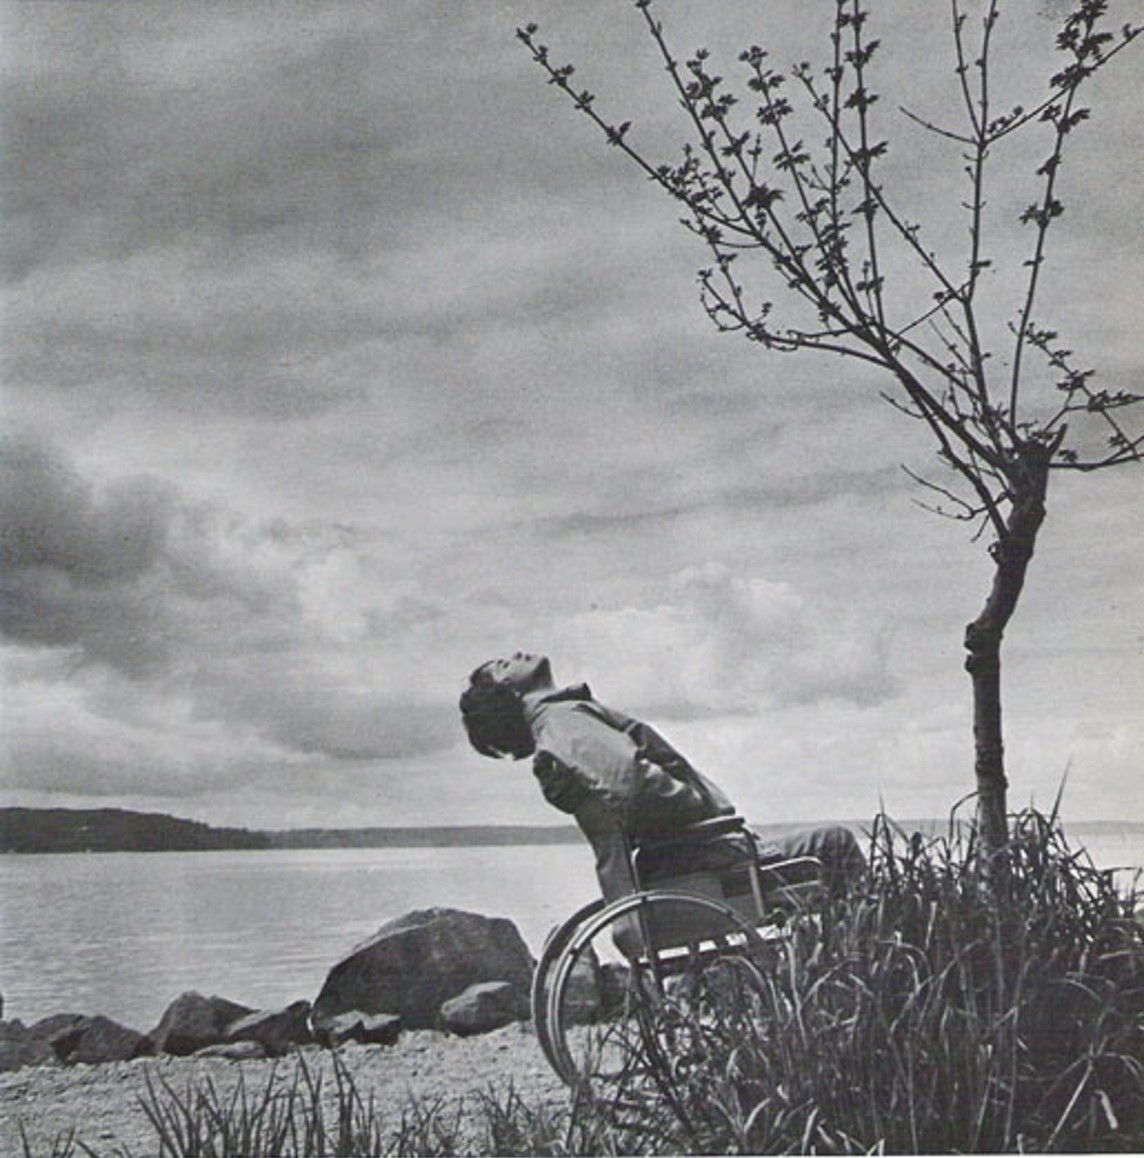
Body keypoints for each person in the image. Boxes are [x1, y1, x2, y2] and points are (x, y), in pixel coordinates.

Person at [459, 652, 865, 905]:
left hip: (684, 859)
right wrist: (697, 804)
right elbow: (633, 787)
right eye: (502, 666)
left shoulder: (557, 723)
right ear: (508, 695)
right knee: (836, 843)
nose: (515, 655)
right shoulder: (563, 721)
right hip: (704, 859)